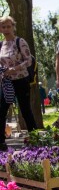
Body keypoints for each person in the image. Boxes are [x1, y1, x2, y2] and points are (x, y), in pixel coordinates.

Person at [0, 16, 37, 150]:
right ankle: (1, 141)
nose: (6, 29)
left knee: (25, 109)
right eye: (3, 27)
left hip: (21, 79)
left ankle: (34, 137)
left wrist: (14, 69)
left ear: (13, 27)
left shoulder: (19, 41)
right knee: (2, 109)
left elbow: (29, 61)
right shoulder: (1, 45)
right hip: (7, 82)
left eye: (8, 26)